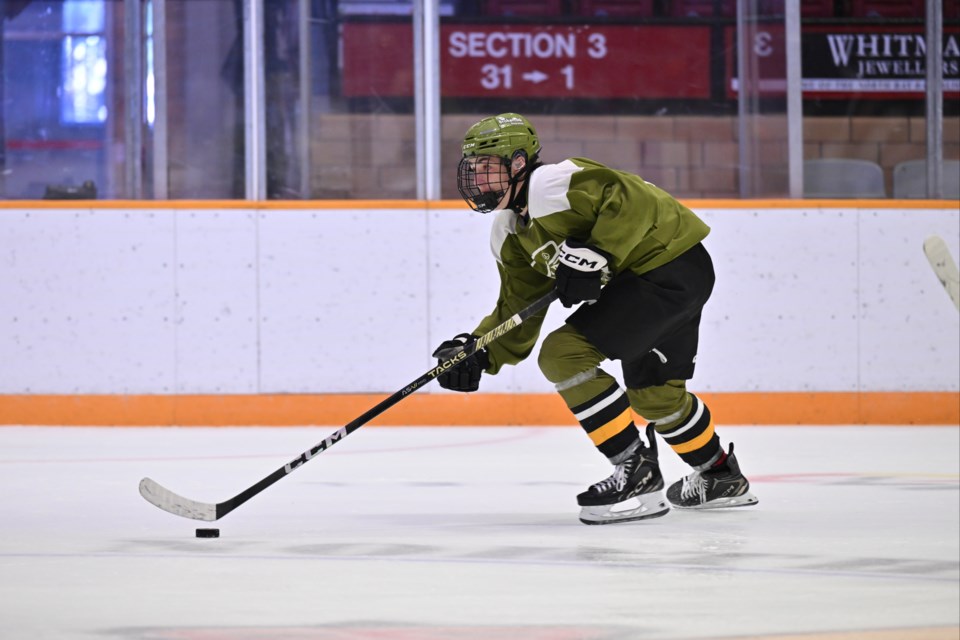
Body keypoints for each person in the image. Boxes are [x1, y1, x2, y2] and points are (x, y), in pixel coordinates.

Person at [432, 113, 758, 525]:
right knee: (655, 395)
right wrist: (477, 351)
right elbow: (516, 308)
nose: (478, 182)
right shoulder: (510, 233)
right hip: (664, 282)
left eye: (488, 169)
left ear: (518, 164)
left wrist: (599, 251)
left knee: (563, 353)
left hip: (667, 269)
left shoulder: (554, 184)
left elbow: (631, 197)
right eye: (473, 171)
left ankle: (634, 469)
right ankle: (720, 476)